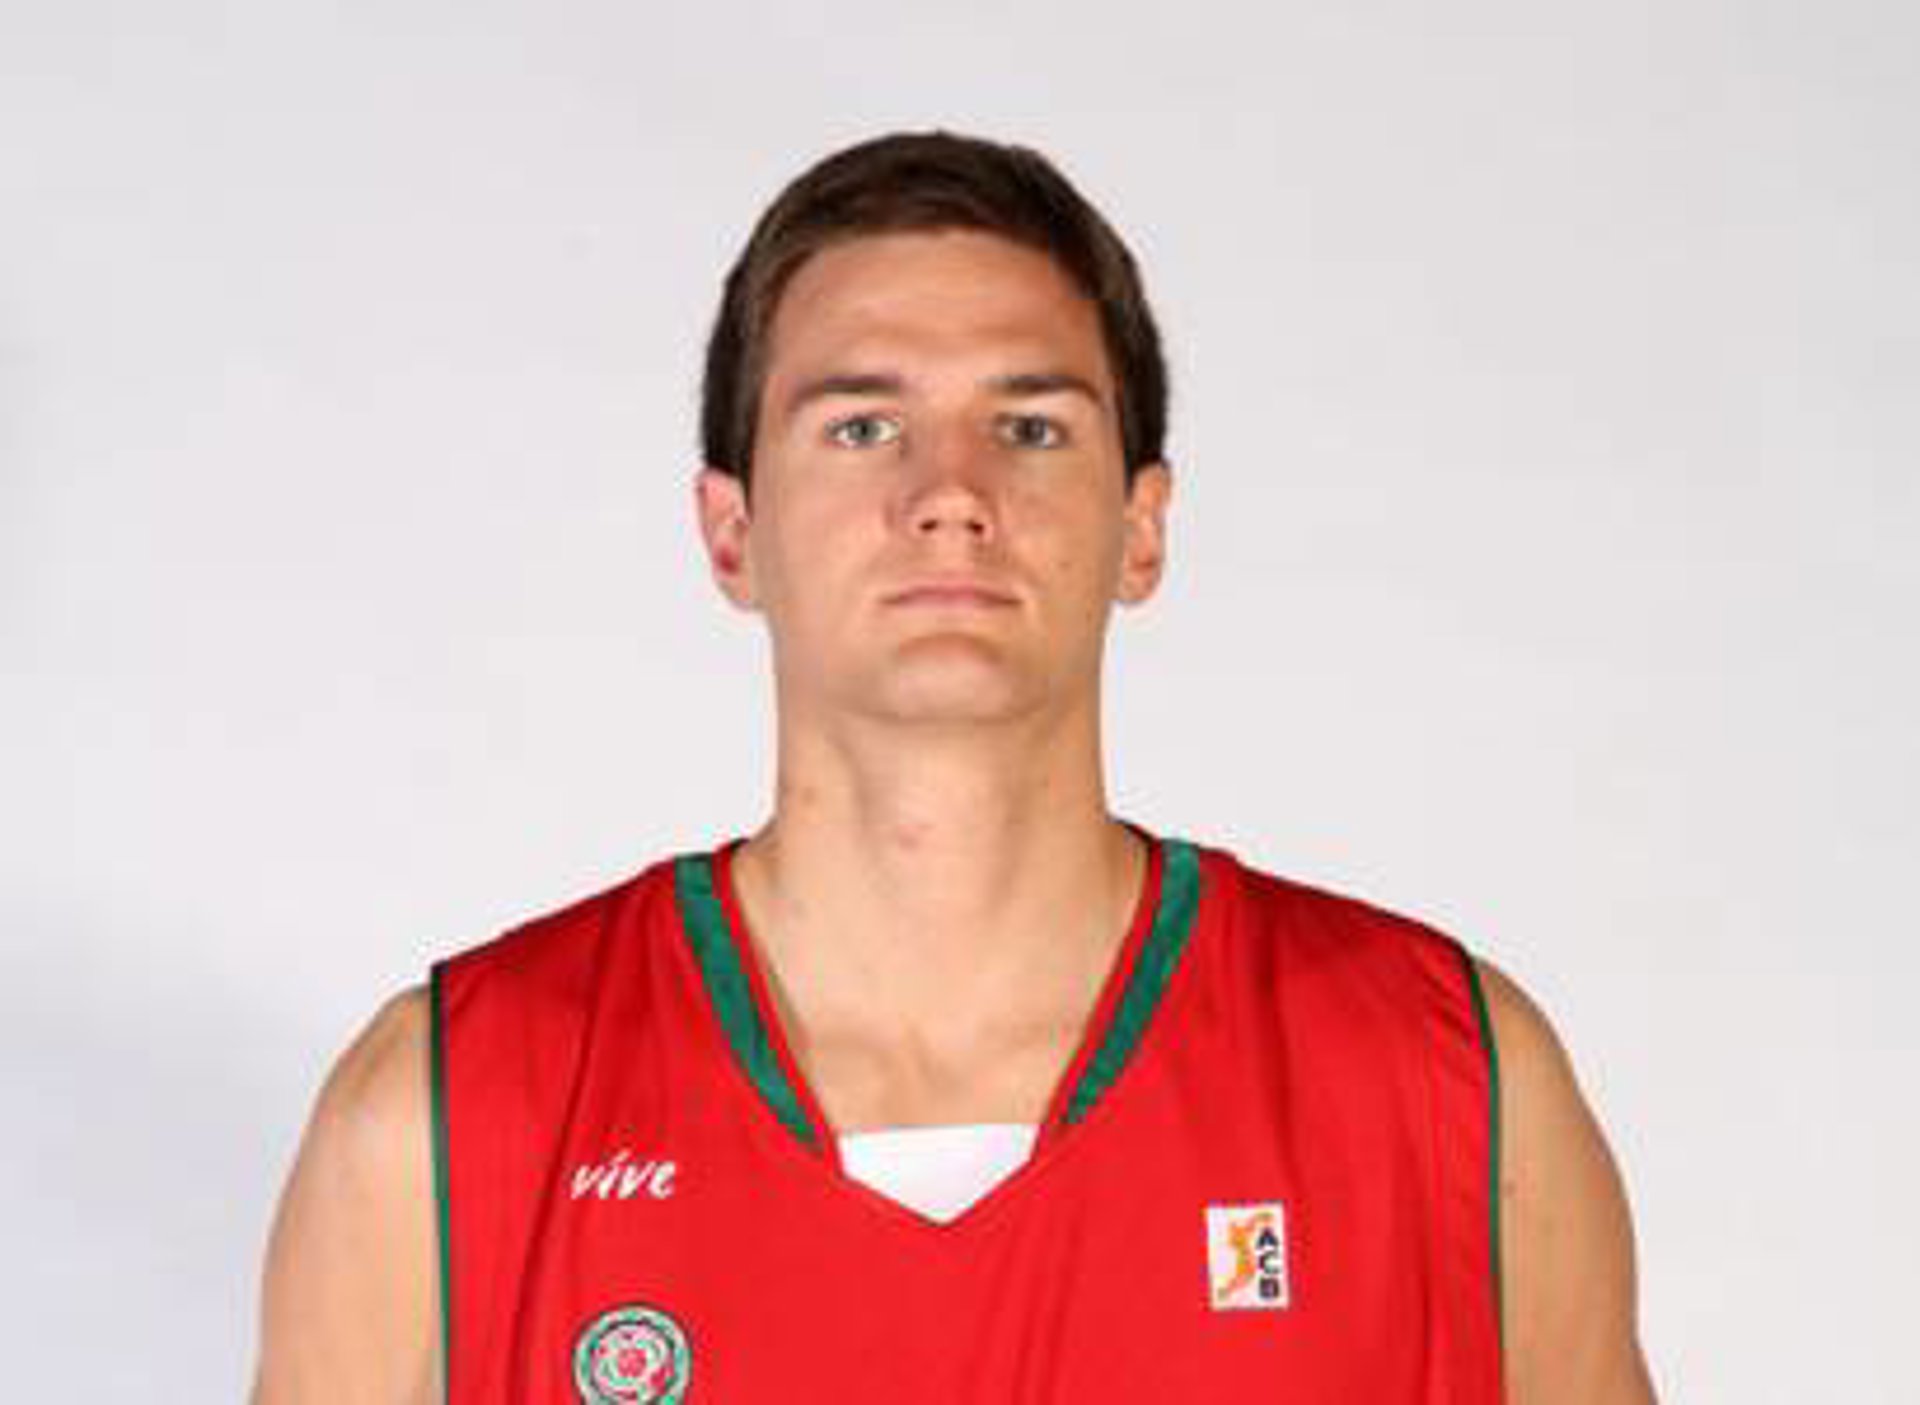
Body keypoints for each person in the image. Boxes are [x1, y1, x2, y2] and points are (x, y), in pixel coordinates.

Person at [251, 131, 1657, 1404]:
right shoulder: (447, 1119)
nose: (949, 495)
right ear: (732, 533)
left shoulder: (1443, 1086)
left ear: (1141, 527)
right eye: (862, 426)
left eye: (1030, 426)